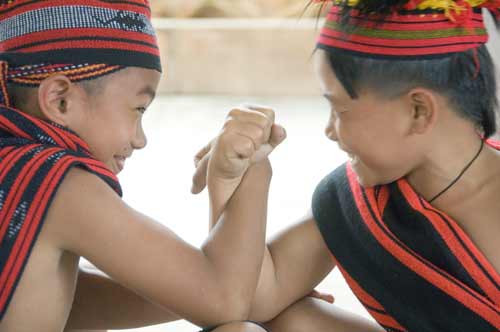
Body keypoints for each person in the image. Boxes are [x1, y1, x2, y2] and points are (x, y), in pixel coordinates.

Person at [192, 0, 500, 331]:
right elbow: (244, 298)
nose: (328, 130)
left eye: (340, 110)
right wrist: (239, 177)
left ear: (418, 111)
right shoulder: (356, 201)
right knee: (278, 321)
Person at [0, 1, 287, 331]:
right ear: (60, 101)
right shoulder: (57, 183)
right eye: (138, 109)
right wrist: (251, 169)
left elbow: (77, 301)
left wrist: (231, 288)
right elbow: (224, 302)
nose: (140, 139)